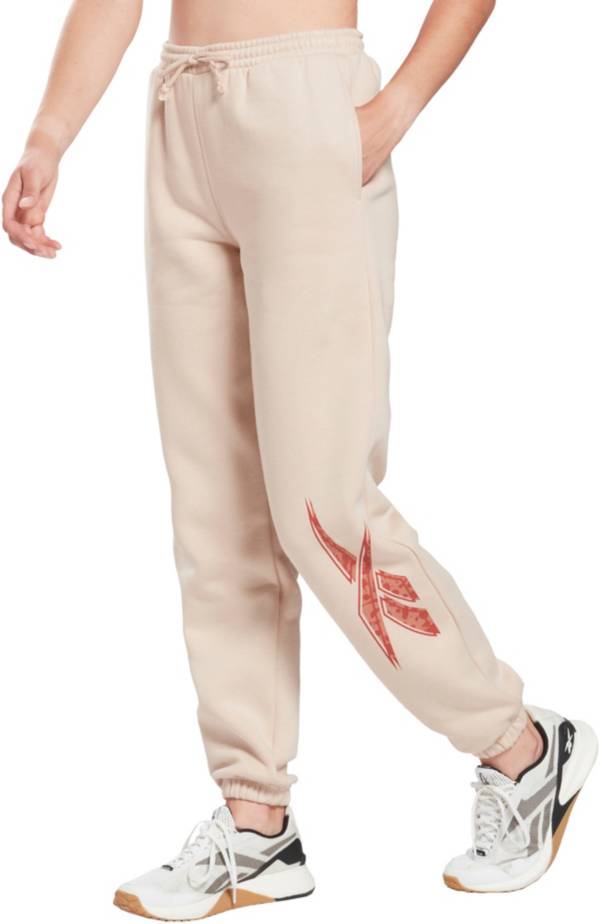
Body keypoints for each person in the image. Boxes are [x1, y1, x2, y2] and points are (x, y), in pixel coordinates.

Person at [3, 0, 596, 914]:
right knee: (216, 511)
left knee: (323, 511)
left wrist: (394, 109)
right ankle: (257, 824)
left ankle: (521, 747)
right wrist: (49, 136)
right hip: (181, 116)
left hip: (307, 109)